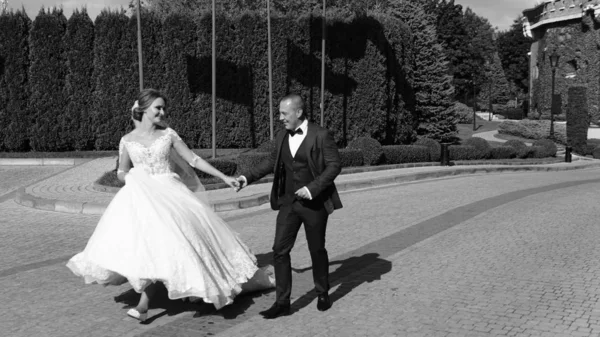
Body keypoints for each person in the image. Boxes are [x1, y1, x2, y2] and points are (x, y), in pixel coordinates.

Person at [67, 89, 268, 322]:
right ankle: (146, 303)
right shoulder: (127, 140)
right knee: (148, 247)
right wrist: (130, 177)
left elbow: (193, 159)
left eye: (164, 108)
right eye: (158, 108)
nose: (163, 112)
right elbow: (121, 170)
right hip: (140, 196)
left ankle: (168, 294)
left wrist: (223, 177)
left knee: (176, 244)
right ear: (143, 110)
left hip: (171, 195)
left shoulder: (169, 135)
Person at [236, 93, 342, 319]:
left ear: (298, 112)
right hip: (288, 203)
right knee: (279, 250)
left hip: (314, 204)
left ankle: (322, 292)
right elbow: (269, 162)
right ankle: (282, 302)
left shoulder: (321, 135)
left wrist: (313, 188)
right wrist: (246, 178)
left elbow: (334, 166)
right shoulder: (281, 135)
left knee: (317, 250)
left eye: (284, 113)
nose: (281, 118)